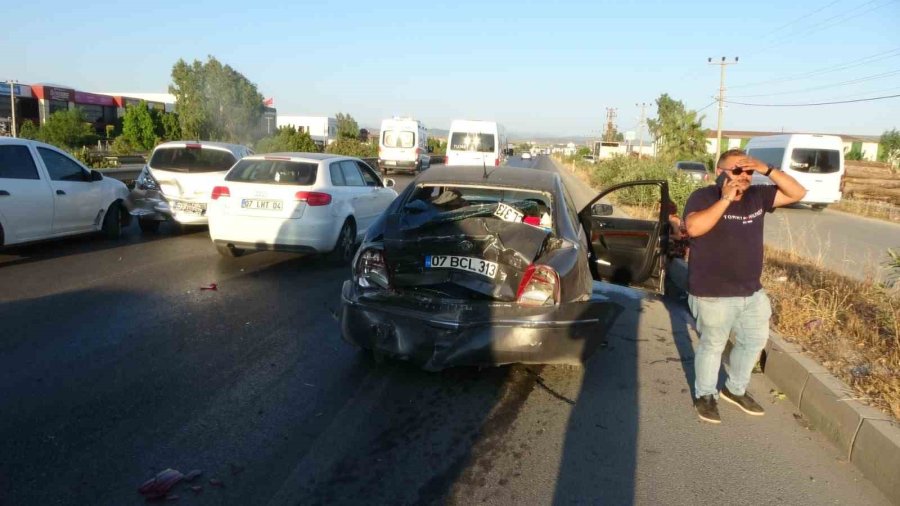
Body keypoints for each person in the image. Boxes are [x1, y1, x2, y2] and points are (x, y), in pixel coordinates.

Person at [683, 149, 807, 424]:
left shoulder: (757, 196)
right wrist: (726, 199)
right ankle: (705, 395)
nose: (744, 176)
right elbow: (693, 228)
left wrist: (767, 169)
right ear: (720, 172)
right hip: (712, 292)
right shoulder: (704, 196)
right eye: (737, 170)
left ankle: (734, 389)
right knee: (713, 345)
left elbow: (798, 193)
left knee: (753, 342)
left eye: (748, 171)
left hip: (751, 291)